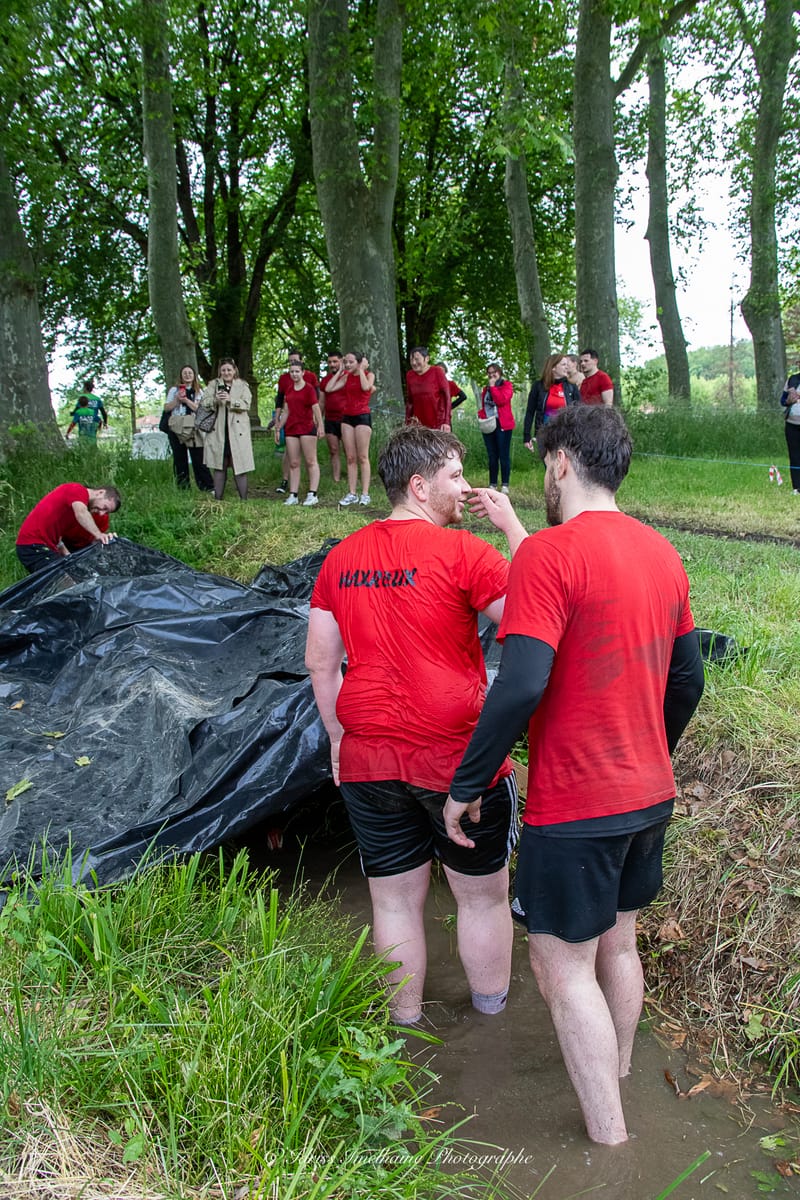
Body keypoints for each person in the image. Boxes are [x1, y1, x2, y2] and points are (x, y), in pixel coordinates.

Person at [443, 405, 704, 1146]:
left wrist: (468, 784)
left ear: (560, 462)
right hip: (649, 795)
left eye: (541, 465)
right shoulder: (663, 553)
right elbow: (687, 682)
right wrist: (652, 752)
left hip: (577, 805)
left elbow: (520, 683)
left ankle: (611, 1148)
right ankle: (618, 1077)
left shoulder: (547, 555)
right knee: (618, 946)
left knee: (561, 968)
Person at [305, 425, 528, 1024]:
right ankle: (490, 1020)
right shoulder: (465, 554)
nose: (467, 488)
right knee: (481, 898)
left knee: (395, 901)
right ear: (419, 485)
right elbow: (533, 613)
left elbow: (321, 662)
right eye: (456, 476)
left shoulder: (342, 558)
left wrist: (336, 739)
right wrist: (512, 529)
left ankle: (400, 1029)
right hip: (457, 760)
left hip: (367, 759)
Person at [16, 483, 121, 573]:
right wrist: (99, 535)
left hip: (46, 547)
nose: (102, 513)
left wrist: (108, 540)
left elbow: (60, 537)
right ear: (100, 492)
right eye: (105, 507)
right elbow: (81, 513)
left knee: (63, 583)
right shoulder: (77, 490)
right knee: (64, 583)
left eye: (106, 512)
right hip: (33, 545)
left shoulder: (72, 510)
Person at [324, 351, 375, 506]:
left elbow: (366, 387)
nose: (347, 365)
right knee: (351, 457)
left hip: (362, 416)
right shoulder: (346, 377)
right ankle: (352, 492)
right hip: (347, 418)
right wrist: (340, 371)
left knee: (362, 457)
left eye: (350, 362)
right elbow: (329, 388)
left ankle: (365, 494)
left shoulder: (368, 374)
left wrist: (361, 369)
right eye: (345, 362)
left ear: (359, 363)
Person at [201, 358, 254, 501]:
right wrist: (215, 400)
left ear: (234, 370)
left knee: (240, 465)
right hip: (218, 431)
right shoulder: (213, 385)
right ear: (220, 371)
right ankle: (218, 499)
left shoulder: (242, 385)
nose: (226, 372)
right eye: (223, 370)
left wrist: (231, 400)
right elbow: (204, 403)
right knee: (219, 465)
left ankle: (244, 500)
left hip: (238, 432)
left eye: (229, 370)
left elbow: (247, 404)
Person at [275, 361, 325, 506]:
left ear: (303, 372)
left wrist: (320, 425)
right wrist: (279, 427)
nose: (294, 374)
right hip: (291, 428)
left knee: (310, 460)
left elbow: (316, 408)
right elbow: (287, 410)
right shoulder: (289, 389)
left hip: (307, 427)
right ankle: (293, 494)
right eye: (292, 372)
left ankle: (312, 493)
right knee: (294, 462)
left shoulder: (309, 389)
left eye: (297, 371)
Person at [160, 366, 214, 492]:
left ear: (194, 376)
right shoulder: (174, 390)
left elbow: (202, 410)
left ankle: (207, 486)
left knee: (199, 458)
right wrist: (177, 400)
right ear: (181, 375)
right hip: (177, 426)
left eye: (190, 373)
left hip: (194, 426)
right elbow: (167, 408)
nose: (188, 375)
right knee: (179, 459)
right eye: (185, 373)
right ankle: (183, 488)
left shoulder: (200, 391)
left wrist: (187, 401)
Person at [523, 353, 582, 447]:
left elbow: (580, 412)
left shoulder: (572, 387)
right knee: (548, 461)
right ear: (553, 367)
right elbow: (530, 412)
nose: (567, 367)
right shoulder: (538, 386)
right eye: (563, 364)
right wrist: (526, 436)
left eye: (567, 364)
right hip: (545, 434)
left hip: (566, 435)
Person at [477, 363, 515, 493]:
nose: (492, 375)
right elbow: (485, 405)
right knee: (492, 455)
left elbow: (501, 400)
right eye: (489, 373)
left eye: (494, 372)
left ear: (500, 373)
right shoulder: (486, 389)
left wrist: (493, 387)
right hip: (489, 423)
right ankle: (492, 483)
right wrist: (481, 415)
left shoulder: (507, 386)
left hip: (503, 424)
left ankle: (505, 484)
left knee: (503, 454)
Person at [405, 347, 451, 430]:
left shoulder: (437, 371)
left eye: (417, 359)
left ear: (427, 359)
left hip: (437, 423)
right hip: (417, 425)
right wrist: (407, 422)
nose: (414, 363)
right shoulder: (409, 375)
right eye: (411, 360)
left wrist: (446, 422)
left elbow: (447, 397)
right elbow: (410, 401)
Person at [319, 352, 344, 483]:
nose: (332, 365)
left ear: (341, 361)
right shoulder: (325, 380)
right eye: (329, 362)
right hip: (330, 419)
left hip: (346, 419)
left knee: (349, 451)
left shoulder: (348, 377)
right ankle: (336, 478)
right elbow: (322, 402)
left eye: (335, 361)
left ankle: (354, 477)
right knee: (334, 450)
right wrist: (318, 421)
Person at [779, 370, 800, 494]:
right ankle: (796, 487)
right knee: (795, 456)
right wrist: (789, 401)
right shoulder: (792, 380)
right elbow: (782, 401)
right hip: (792, 425)